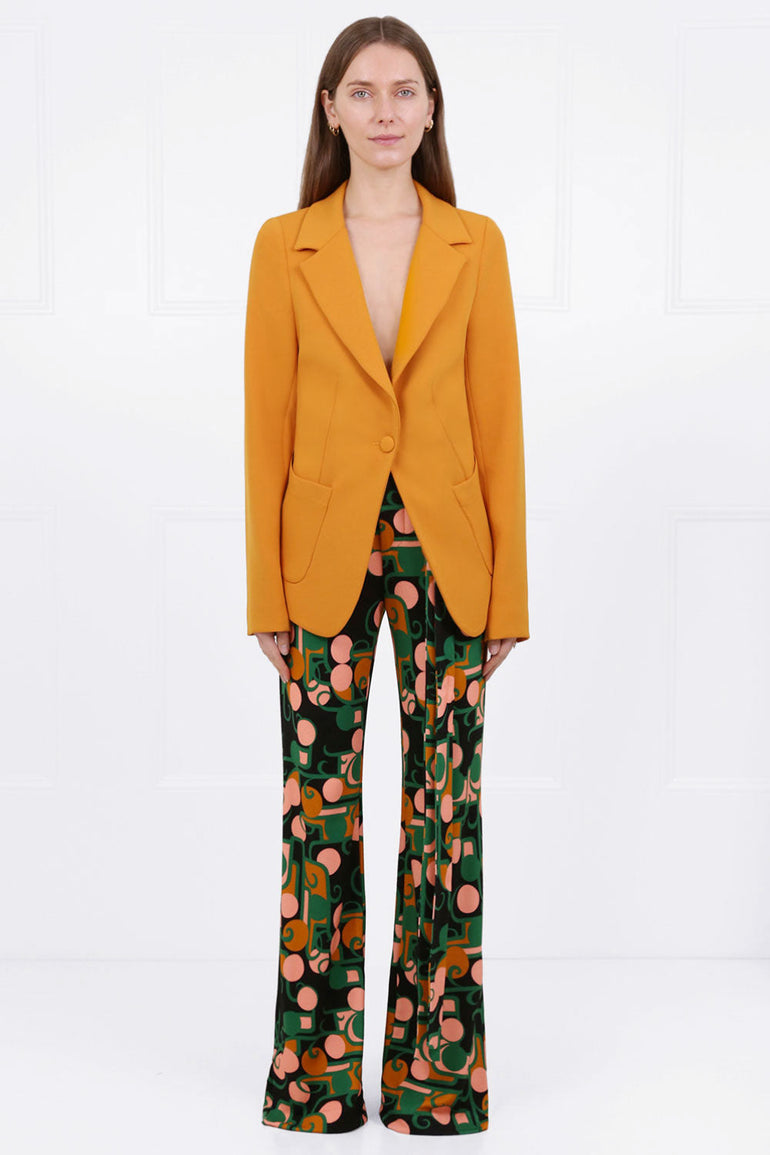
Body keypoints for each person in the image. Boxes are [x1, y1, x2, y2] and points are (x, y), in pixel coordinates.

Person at [243, 14, 530, 1136]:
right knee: (317, 818)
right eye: (361, 92)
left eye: (403, 91)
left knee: (442, 815)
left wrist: (510, 596)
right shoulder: (284, 245)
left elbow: (498, 424)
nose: (384, 111)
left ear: (430, 108)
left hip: (448, 558)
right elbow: (265, 426)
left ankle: (434, 1080)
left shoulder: (474, 242)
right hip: (319, 558)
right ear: (330, 110)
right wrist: (264, 593)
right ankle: (313, 1083)